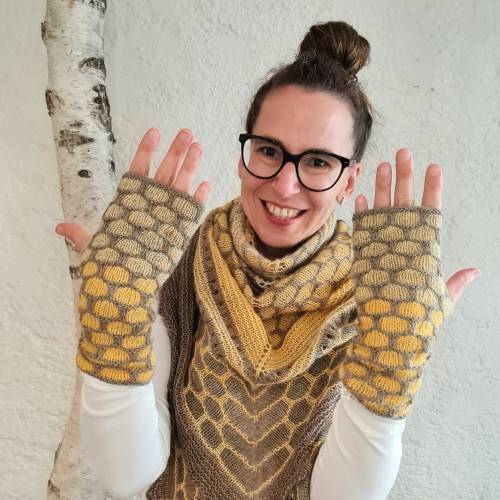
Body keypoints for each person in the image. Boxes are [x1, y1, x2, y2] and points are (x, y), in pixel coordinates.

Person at [55, 20, 479, 500]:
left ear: (348, 181)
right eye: (269, 151)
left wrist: (393, 363)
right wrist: (114, 309)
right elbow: (126, 475)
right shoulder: (168, 265)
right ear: (244, 155)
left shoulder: (382, 299)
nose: (284, 185)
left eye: (318, 162)